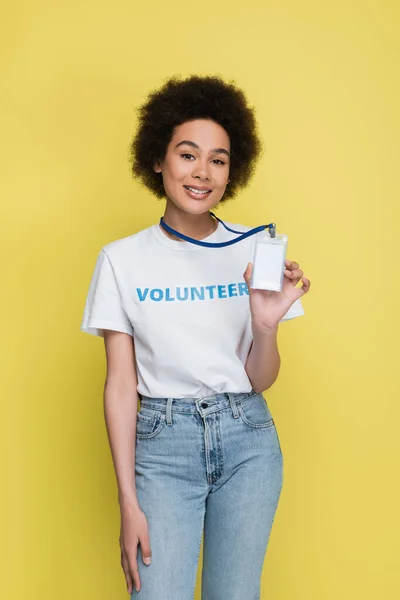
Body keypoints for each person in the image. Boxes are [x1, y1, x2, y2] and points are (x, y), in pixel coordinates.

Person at [81, 74, 310, 599]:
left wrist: (266, 326)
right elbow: (120, 384)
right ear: (158, 159)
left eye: (219, 159)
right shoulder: (121, 258)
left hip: (247, 440)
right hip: (163, 447)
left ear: (234, 169)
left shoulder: (255, 249)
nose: (202, 172)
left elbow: (260, 379)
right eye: (187, 154)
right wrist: (127, 501)